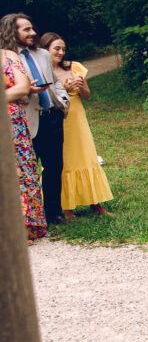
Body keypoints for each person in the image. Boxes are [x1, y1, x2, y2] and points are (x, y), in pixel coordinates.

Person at [39, 33, 113, 217]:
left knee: (87, 156)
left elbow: (87, 95)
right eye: (56, 48)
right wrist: (62, 88)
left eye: (63, 48)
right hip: (58, 119)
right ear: (45, 49)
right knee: (63, 160)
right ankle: (67, 206)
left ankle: (95, 202)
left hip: (77, 117)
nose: (61, 52)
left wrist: (79, 86)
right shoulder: (42, 71)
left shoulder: (74, 67)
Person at [7, 14, 70, 222]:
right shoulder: (7, 58)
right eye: (26, 30)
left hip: (51, 116)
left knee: (54, 166)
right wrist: (28, 90)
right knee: (28, 169)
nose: (33, 33)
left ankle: (54, 212)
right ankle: (33, 215)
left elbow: (55, 81)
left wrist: (63, 102)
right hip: (25, 119)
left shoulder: (42, 54)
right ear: (11, 31)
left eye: (32, 28)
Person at [2, 27, 47, 241]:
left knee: (21, 170)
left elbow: (22, 87)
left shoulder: (7, 55)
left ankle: (25, 225)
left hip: (13, 123)